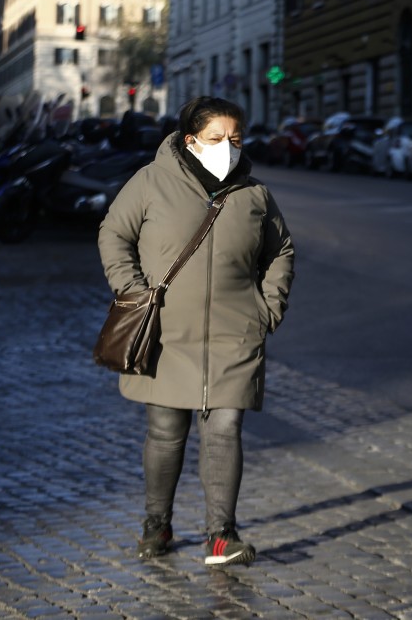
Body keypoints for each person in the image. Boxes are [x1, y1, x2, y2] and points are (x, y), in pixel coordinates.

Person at [98, 96, 295, 566]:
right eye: (216, 139)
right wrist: (133, 290)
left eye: (235, 139)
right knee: (166, 432)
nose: (227, 147)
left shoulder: (254, 193)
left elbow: (281, 250)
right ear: (191, 141)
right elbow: (113, 234)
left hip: (236, 334)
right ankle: (157, 524)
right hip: (165, 333)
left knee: (225, 427)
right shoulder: (150, 182)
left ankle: (221, 536)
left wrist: (268, 308)